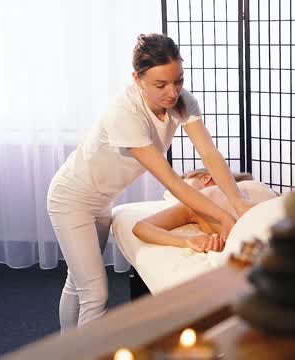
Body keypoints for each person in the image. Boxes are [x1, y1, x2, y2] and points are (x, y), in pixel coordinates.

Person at [46, 34, 255, 331]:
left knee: (78, 281)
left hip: (102, 199)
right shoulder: (124, 113)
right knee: (95, 292)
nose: (172, 92)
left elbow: (209, 153)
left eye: (178, 80)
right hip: (71, 198)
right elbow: (170, 179)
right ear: (137, 79)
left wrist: (237, 202)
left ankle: (65, 347)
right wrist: (222, 216)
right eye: (161, 85)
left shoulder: (182, 102)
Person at [133, 168, 276, 253]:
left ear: (205, 177)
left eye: (183, 186)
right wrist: (188, 240)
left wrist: (187, 242)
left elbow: (141, 227)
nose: (178, 193)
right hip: (276, 228)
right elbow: (141, 228)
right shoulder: (257, 185)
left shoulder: (195, 199)